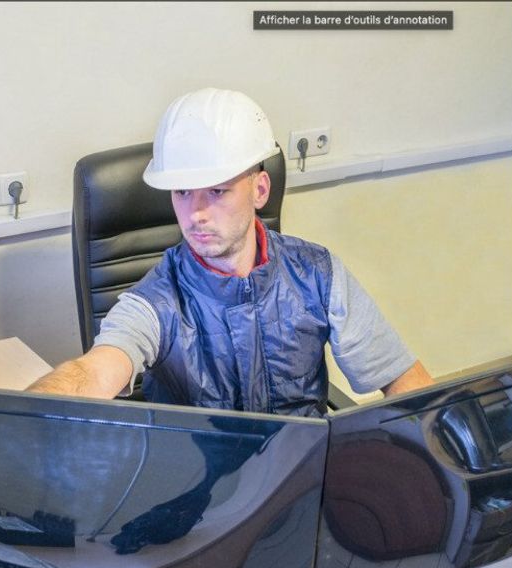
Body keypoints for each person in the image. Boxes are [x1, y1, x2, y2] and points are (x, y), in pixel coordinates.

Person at [28, 88, 432, 415]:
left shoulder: (317, 274)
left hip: (302, 476)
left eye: (216, 191)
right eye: (183, 192)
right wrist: (26, 418)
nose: (196, 214)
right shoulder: (156, 301)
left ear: (259, 190)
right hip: (199, 493)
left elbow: (404, 379)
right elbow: (96, 370)